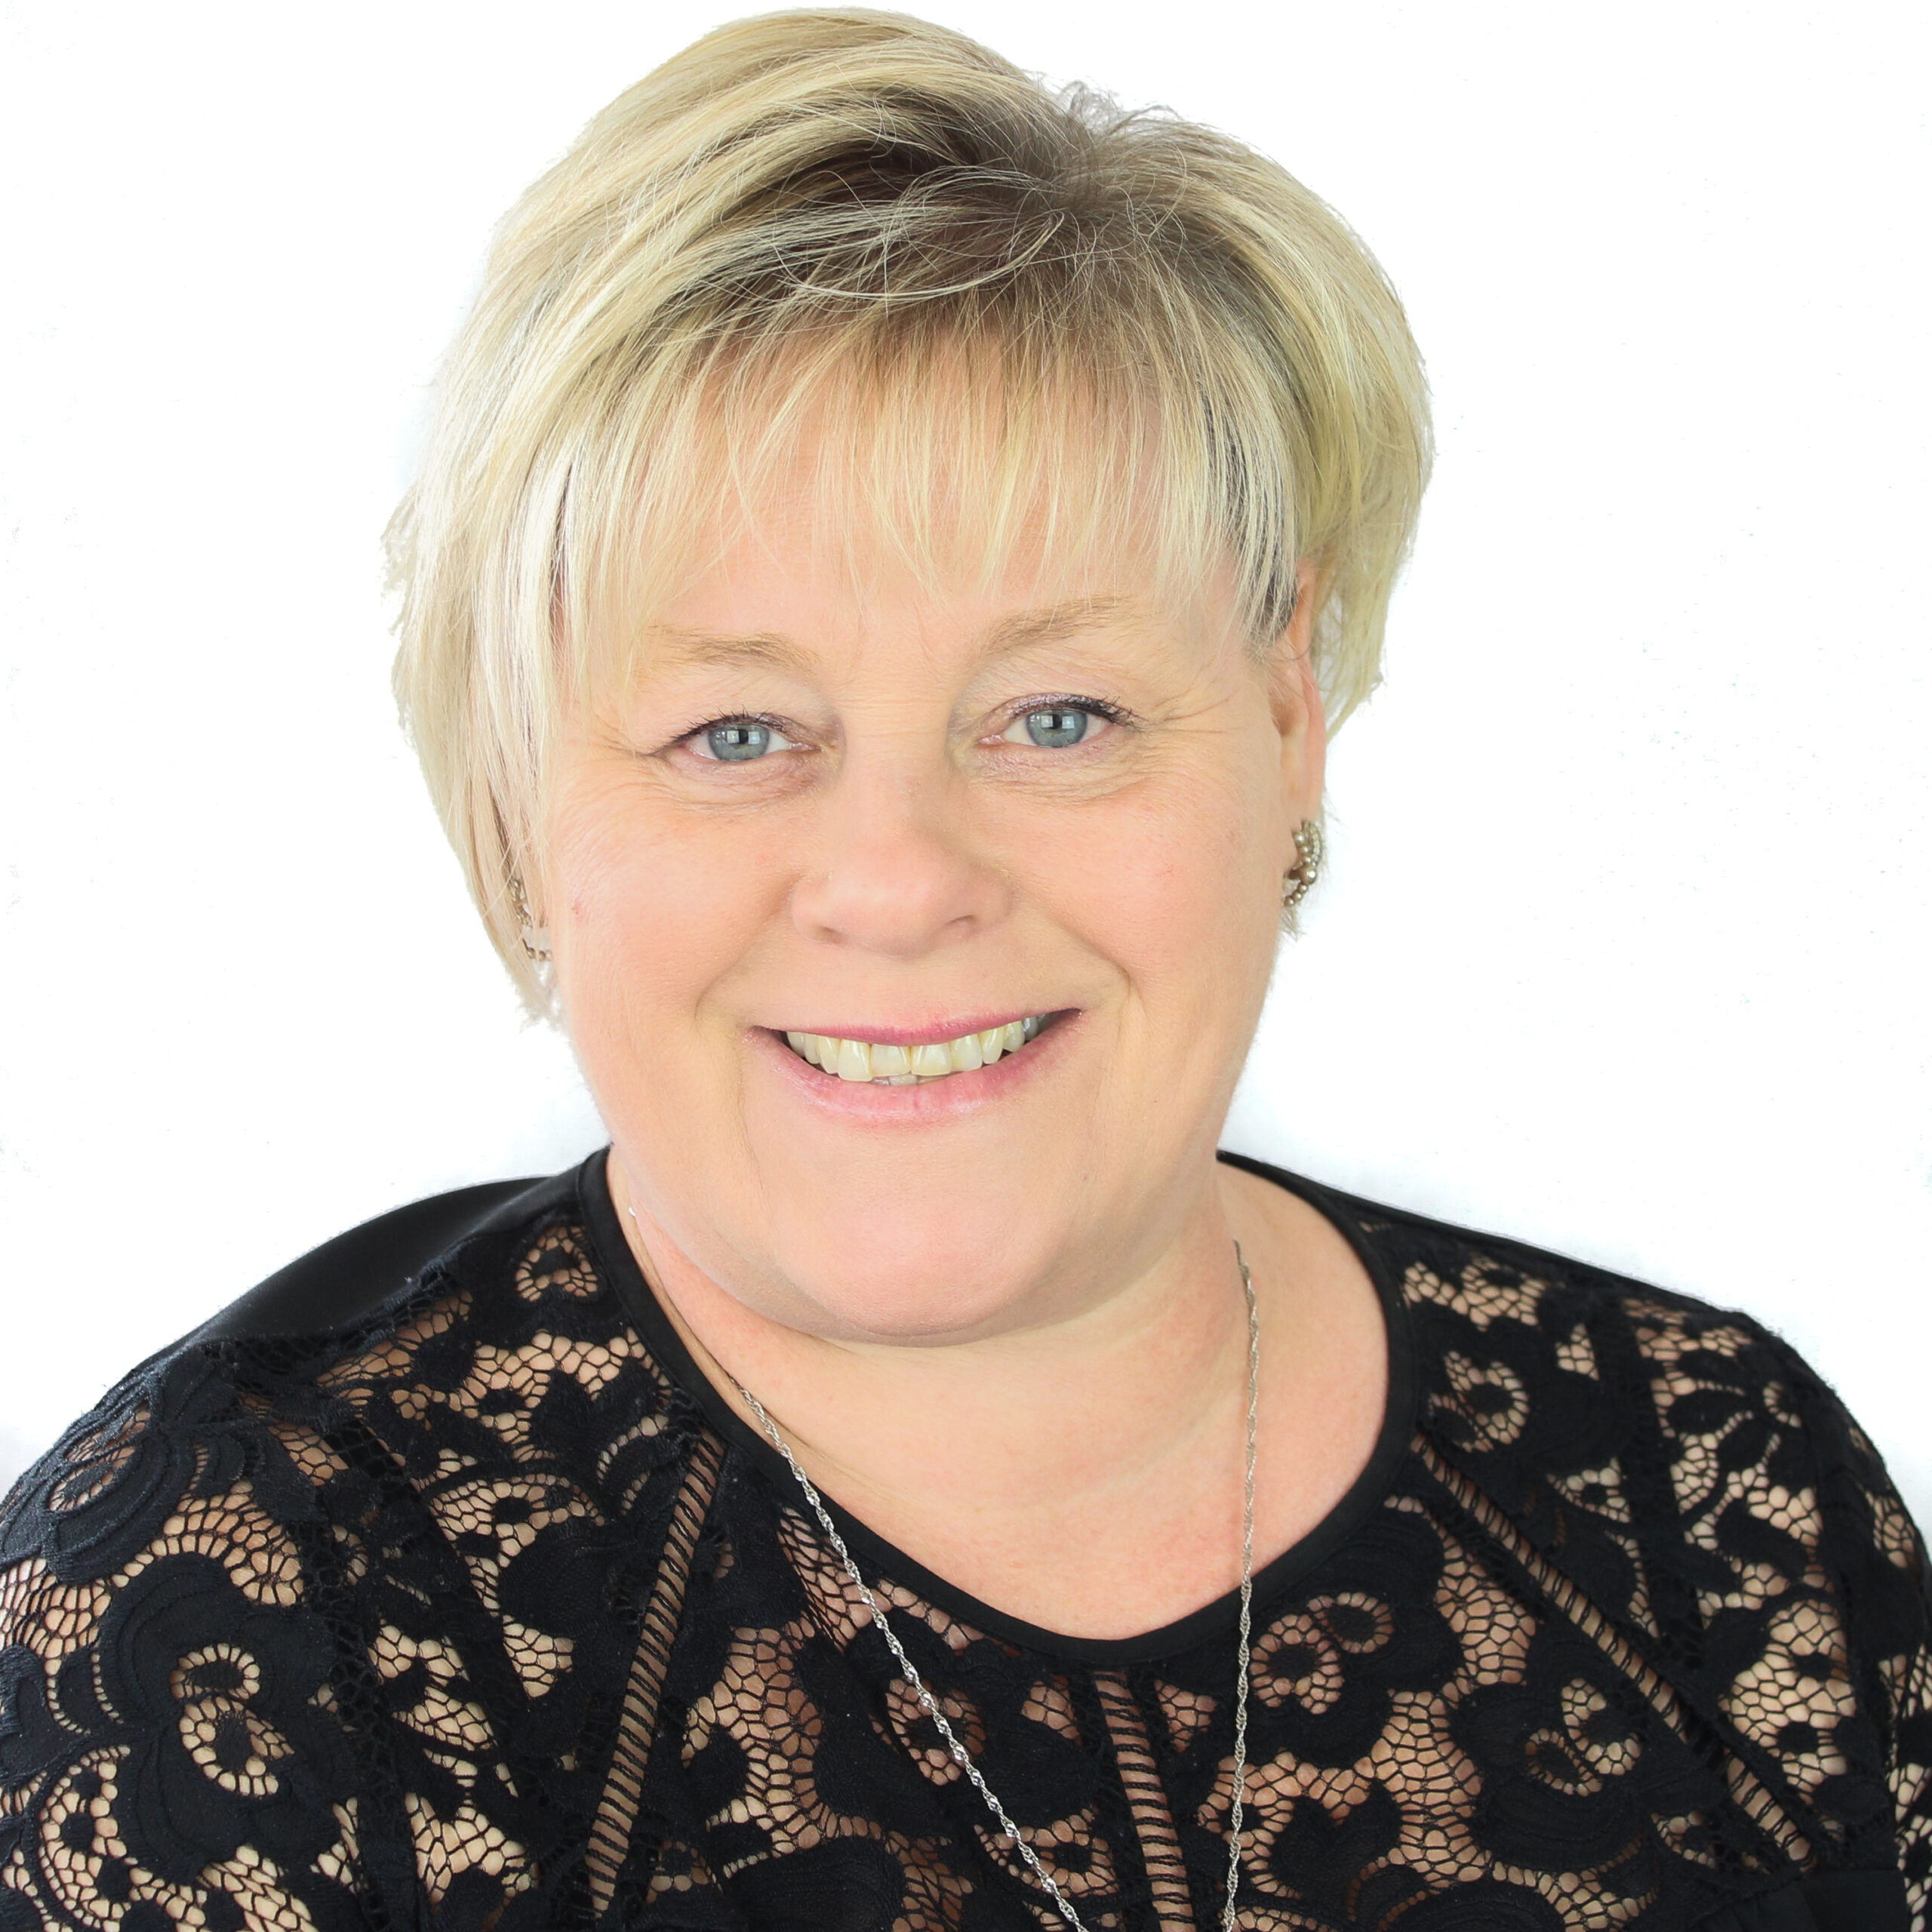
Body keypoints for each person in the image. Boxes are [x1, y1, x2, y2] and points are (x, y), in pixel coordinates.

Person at [1, 8, 1925, 1927]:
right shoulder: (251, 1588)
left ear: (1285, 714)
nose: (899, 881)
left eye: (1057, 714)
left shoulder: (1705, 1476)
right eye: (736, 732)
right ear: (520, 798)